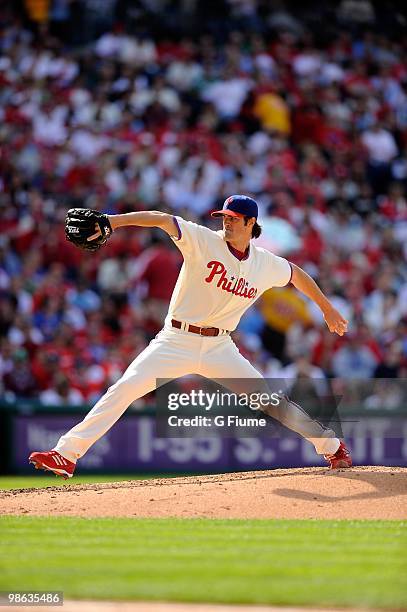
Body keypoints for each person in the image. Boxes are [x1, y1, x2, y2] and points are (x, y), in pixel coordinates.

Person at [29, 195, 352, 478]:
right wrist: (112, 221)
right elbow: (161, 219)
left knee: (269, 401)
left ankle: (331, 446)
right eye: (223, 218)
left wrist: (326, 307)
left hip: (220, 347)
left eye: (234, 219)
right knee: (124, 389)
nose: (226, 223)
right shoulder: (203, 239)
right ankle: (67, 454)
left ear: (251, 223)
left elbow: (297, 274)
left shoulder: (265, 264)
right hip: (176, 339)